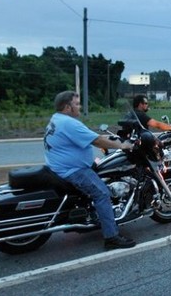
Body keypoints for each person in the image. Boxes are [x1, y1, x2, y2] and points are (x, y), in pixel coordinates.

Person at [43, 91, 135, 250]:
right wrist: (123, 145)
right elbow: (97, 141)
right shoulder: (69, 123)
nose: (79, 107)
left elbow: (89, 136)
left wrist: (111, 139)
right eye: (77, 104)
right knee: (102, 193)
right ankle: (112, 237)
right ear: (67, 107)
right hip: (72, 170)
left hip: (58, 166)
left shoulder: (57, 119)